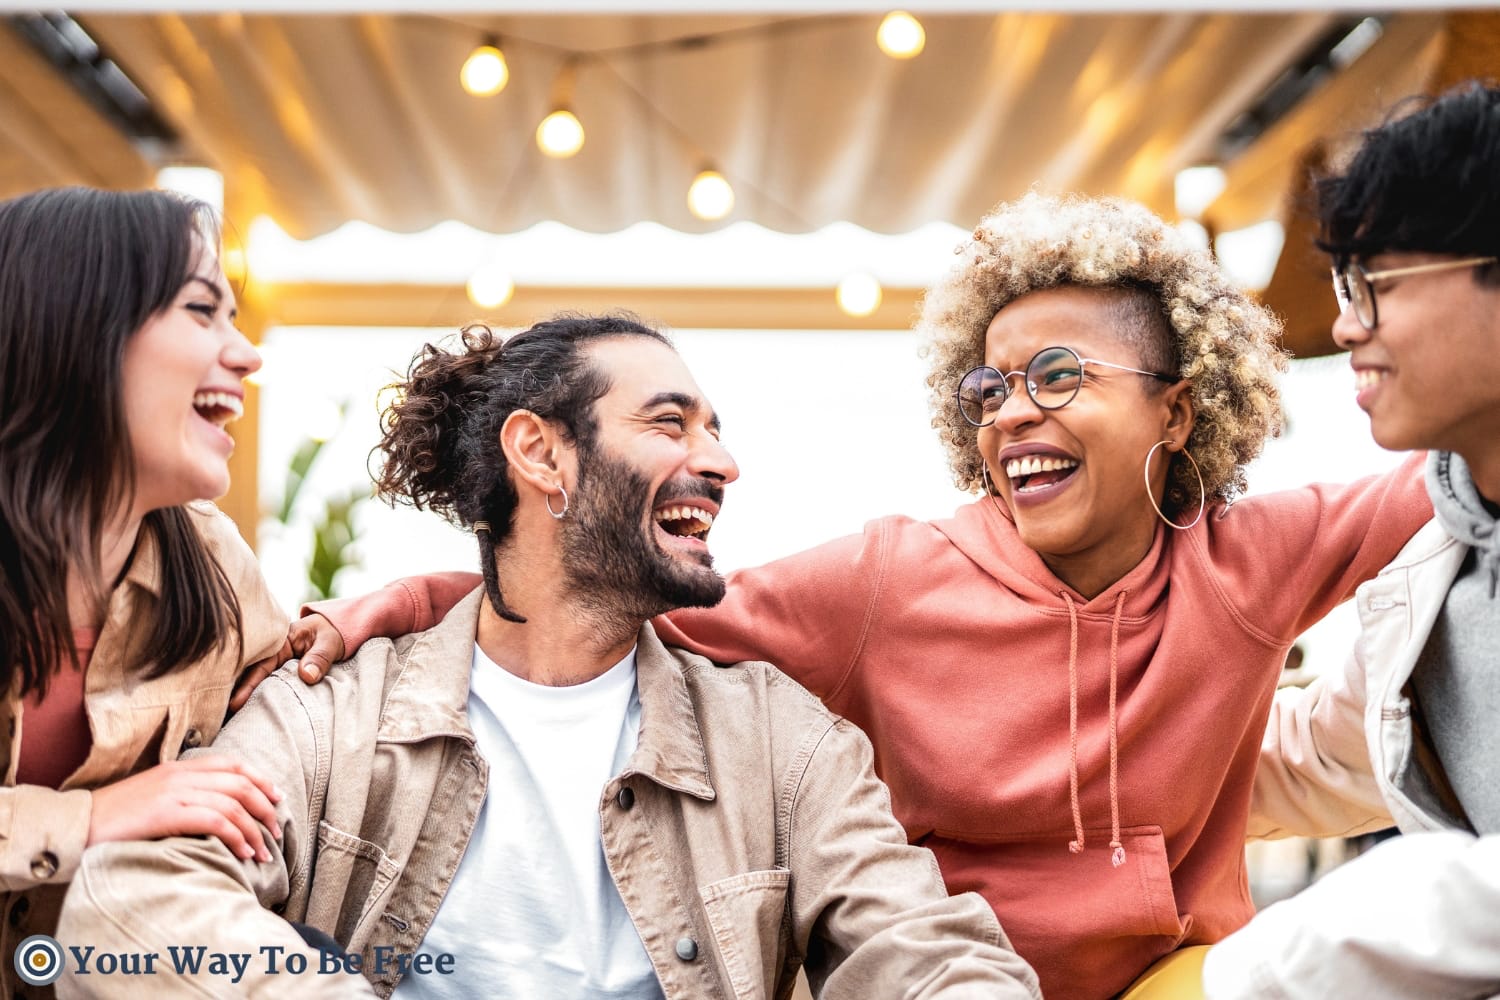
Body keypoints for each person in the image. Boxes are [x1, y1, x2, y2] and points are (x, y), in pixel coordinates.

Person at [290, 195, 1433, 999]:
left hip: (1175, 984)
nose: (1012, 413)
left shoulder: (1253, 562)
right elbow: (609, 594)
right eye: (990, 386)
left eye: (1059, 377)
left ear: (1177, 413)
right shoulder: (892, 580)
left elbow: (1454, 471)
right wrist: (409, 600)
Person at [57, 315, 1042, 999]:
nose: (723, 461)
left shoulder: (782, 743)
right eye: (671, 421)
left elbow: (924, 947)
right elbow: (130, 899)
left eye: (716, 428)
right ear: (541, 454)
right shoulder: (333, 714)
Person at [1202, 81, 1500, 1000]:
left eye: (1373, 282)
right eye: (1343, 284)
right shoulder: (1443, 565)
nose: (1343, 326)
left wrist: (1259, 969)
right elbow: (1324, 757)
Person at [0, 187, 324, 996]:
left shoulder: (212, 563)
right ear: (74, 324)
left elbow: (318, 708)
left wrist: (411, 602)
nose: (246, 354)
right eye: (201, 310)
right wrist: (93, 819)